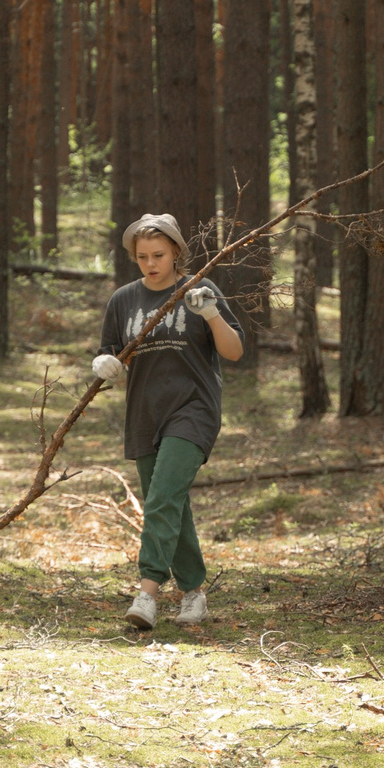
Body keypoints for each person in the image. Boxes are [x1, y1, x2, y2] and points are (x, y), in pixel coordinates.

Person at [93, 213, 245, 631]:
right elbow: (110, 351)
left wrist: (211, 314)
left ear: (176, 251)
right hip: (144, 414)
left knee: (161, 498)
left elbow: (234, 351)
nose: (150, 264)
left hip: (194, 410)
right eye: (142, 257)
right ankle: (194, 592)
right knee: (171, 502)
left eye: (158, 255)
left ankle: (148, 593)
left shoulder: (200, 289)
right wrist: (104, 363)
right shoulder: (124, 299)